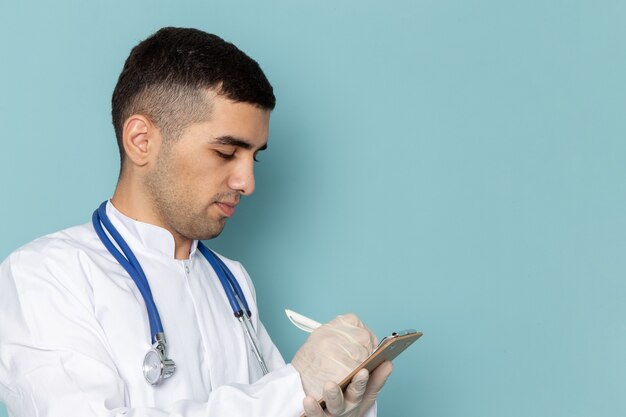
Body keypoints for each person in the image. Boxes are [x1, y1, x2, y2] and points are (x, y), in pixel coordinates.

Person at [0, 27, 393, 417]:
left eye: (253, 157)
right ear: (141, 140)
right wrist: (292, 388)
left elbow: (286, 406)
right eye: (226, 152)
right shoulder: (43, 276)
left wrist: (332, 407)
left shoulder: (232, 282)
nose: (247, 182)